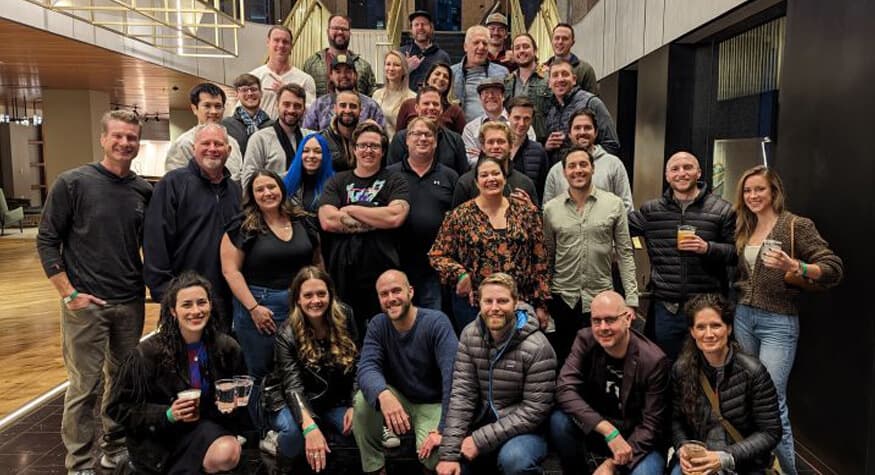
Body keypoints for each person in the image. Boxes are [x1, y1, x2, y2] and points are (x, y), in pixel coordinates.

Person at [37, 110, 152, 474]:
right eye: (117, 136)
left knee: (122, 381)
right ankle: (80, 462)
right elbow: (47, 240)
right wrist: (69, 293)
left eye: (131, 137)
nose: (124, 143)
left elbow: (150, 244)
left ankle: (114, 447)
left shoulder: (143, 190)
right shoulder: (73, 183)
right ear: (103, 139)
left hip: (129, 302)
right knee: (84, 386)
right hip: (86, 304)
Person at [732, 165, 843, 474]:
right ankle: (759, 466)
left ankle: (788, 470)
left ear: (774, 192)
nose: (753, 195)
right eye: (747, 190)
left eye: (759, 189)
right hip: (744, 317)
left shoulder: (796, 225)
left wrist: (797, 266)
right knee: (750, 397)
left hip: (778, 322)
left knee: (772, 400)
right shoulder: (744, 225)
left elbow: (833, 268)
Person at [107, 272, 248, 474]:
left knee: (228, 452)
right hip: (158, 438)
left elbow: (237, 408)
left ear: (210, 305)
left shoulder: (226, 348)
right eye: (187, 305)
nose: (196, 311)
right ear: (173, 311)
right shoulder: (146, 354)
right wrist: (167, 414)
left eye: (201, 303)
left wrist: (232, 406)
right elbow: (117, 407)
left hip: (205, 429)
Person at [220, 169, 321, 425]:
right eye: (260, 189)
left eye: (272, 187)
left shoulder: (302, 220)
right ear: (252, 195)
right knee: (262, 373)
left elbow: (317, 262)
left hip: (300, 306)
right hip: (260, 306)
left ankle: (297, 423)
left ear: (281, 189)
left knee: (299, 366)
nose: (267, 193)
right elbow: (230, 271)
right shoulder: (243, 226)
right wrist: (253, 308)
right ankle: (264, 430)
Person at [436, 273, 556, 475]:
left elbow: (534, 410)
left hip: (525, 430)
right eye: (488, 301)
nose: (494, 308)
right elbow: (462, 394)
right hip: (482, 422)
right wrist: (449, 454)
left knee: (514, 460)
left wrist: (479, 440)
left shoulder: (538, 347)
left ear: (516, 303)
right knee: (452, 465)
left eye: (502, 301)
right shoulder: (469, 335)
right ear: (478, 303)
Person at [627, 151, 736, 361]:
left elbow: (736, 254)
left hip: (708, 307)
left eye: (688, 167)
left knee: (709, 366)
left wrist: (708, 248)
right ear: (667, 176)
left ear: (699, 173)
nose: (681, 173)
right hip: (668, 308)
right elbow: (617, 227)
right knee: (667, 366)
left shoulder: (722, 210)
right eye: (675, 169)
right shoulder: (651, 211)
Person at [549, 290, 668, 475]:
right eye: (596, 320)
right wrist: (608, 430)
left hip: (637, 438)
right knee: (559, 421)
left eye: (610, 320)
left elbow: (651, 426)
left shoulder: (653, 360)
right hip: (599, 427)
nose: (603, 327)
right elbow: (564, 388)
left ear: (627, 319)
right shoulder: (585, 340)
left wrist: (611, 464)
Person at [353, 270, 458, 475]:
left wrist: (443, 428)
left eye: (396, 291)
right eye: (384, 294)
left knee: (436, 455)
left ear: (410, 292)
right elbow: (366, 367)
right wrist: (383, 394)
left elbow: (453, 379)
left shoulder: (436, 322)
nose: (391, 298)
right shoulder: (378, 324)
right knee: (362, 400)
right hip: (399, 398)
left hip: (433, 403)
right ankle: (375, 468)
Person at [430, 154, 549, 333]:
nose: (491, 179)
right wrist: (460, 274)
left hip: (520, 303)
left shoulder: (526, 212)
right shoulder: (460, 216)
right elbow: (437, 255)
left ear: (504, 178)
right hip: (475, 306)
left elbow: (540, 260)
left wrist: (542, 305)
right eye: (484, 175)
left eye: (496, 173)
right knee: (476, 350)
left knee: (520, 350)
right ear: (476, 183)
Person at [543, 147, 638, 363]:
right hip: (562, 298)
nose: (578, 170)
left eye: (583, 165)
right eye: (572, 166)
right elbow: (547, 257)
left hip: (601, 298)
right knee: (565, 361)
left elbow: (624, 253)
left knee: (600, 363)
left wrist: (631, 300)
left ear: (593, 168)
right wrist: (544, 302)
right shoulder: (551, 209)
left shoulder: (613, 204)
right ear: (564, 172)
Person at [669, 293, 782, 475]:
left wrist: (725, 457)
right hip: (699, 458)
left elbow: (770, 432)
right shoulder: (681, 370)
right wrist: (682, 446)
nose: (709, 334)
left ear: (728, 328)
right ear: (692, 332)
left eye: (716, 325)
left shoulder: (753, 372)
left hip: (743, 462)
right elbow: (676, 420)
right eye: (701, 327)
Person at [260, 266, 359, 472]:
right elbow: (293, 387)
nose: (316, 300)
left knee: (359, 428)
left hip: (331, 399)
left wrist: (354, 403)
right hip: (287, 399)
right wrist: (309, 425)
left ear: (330, 295)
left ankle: (321, 436)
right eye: (308, 295)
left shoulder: (346, 315)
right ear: (298, 299)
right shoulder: (287, 333)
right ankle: (277, 449)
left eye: (321, 294)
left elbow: (358, 364)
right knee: (294, 436)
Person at [144, 123, 242, 328]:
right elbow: (156, 240)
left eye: (218, 144)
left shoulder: (235, 191)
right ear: (193, 148)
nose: (212, 148)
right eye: (206, 143)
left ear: (229, 150)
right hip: (184, 299)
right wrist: (164, 293)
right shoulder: (173, 184)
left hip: (225, 297)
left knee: (221, 348)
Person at [318, 122, 410, 337]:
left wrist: (351, 209)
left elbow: (395, 217)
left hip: (383, 271)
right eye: (363, 145)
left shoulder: (395, 180)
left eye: (374, 146)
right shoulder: (337, 181)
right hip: (343, 274)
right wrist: (377, 217)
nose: (368, 150)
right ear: (354, 149)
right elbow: (328, 220)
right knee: (346, 334)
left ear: (383, 151)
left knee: (387, 334)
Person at [387, 117, 459, 310]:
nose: (422, 138)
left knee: (432, 319)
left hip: (434, 268)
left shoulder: (450, 176)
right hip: (397, 264)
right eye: (416, 134)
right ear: (407, 140)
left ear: (435, 142)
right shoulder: (389, 175)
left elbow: (457, 222)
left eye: (428, 134)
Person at [542, 108, 633, 211]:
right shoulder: (556, 171)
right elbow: (548, 211)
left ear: (596, 132)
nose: (582, 132)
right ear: (569, 134)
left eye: (587, 128)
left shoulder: (614, 164)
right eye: (577, 128)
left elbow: (626, 207)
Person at [165, 83, 244, 183]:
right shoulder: (184, 144)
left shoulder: (232, 143)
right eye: (207, 106)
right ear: (194, 109)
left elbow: (237, 179)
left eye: (218, 106)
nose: (213, 111)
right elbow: (174, 183)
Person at [241, 83, 314, 189]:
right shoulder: (260, 139)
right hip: (271, 198)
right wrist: (292, 175)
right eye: (286, 104)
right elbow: (248, 181)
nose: (291, 110)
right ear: (277, 105)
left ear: (304, 109)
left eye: (297, 106)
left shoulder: (311, 138)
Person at [451, 121, 538, 208]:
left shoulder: (524, 183)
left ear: (511, 146)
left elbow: (536, 214)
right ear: (483, 147)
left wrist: (532, 210)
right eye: (490, 142)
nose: (496, 146)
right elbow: (455, 215)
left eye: (501, 142)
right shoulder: (466, 183)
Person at [543, 60, 619, 159]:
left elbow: (611, 144)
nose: (560, 79)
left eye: (565, 74)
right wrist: (547, 147)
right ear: (549, 83)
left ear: (574, 79)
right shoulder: (551, 110)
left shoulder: (592, 103)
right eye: (555, 75)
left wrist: (586, 161)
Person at [388, 85, 469, 175]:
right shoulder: (400, 139)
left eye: (436, 104)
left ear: (441, 109)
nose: (431, 107)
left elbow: (463, 176)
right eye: (426, 103)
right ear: (417, 108)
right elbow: (391, 174)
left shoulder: (455, 140)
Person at [461, 77, 536, 167]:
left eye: (494, 92)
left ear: (503, 96)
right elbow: (470, 160)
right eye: (486, 93)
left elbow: (530, 154)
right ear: (480, 98)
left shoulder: (521, 123)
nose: (490, 96)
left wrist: (483, 154)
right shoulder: (471, 129)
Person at [302, 54, 385, 132]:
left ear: (355, 75)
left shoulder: (371, 106)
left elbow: (382, 136)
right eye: (338, 72)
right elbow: (306, 135)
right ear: (331, 76)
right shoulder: (319, 105)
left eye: (348, 71)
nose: (343, 75)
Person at [249, 25, 317, 115]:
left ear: (291, 46)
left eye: (285, 42)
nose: (281, 45)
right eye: (276, 40)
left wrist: (289, 94)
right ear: (268, 43)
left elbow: (313, 113)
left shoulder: (305, 80)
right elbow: (242, 110)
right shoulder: (254, 77)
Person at [302, 15, 376, 97]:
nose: (340, 32)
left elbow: (373, 97)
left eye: (344, 29)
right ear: (328, 31)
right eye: (336, 28)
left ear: (350, 33)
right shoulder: (311, 64)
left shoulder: (364, 67)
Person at [451, 25, 510, 121]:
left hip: (495, 127)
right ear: (465, 46)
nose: (481, 47)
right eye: (476, 43)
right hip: (462, 128)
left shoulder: (502, 73)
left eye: (485, 43)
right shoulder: (451, 73)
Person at [503, 33, 551, 142]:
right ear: (513, 53)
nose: (521, 51)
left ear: (535, 50)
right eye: (517, 48)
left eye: (526, 46)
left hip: (542, 142)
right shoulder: (507, 82)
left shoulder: (548, 79)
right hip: (514, 142)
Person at [397, 62, 466, 134]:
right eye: (437, 74)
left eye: (445, 76)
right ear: (428, 79)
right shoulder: (408, 104)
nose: (441, 78)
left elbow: (462, 138)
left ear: (449, 84)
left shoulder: (455, 110)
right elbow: (398, 135)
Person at [506, 96, 549, 198]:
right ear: (508, 116)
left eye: (526, 119)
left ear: (532, 120)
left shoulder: (539, 151)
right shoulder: (495, 147)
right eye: (517, 118)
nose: (521, 123)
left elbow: (542, 189)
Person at [283, 132, 336, 213]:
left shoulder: (335, 183)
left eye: (317, 152)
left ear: (325, 155)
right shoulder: (283, 181)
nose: (311, 156)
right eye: (306, 151)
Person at [222, 73, 272, 157]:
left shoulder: (272, 126)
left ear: (261, 93)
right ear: (237, 94)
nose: (250, 93)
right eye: (244, 90)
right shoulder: (226, 125)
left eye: (253, 89)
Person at [401, 10, 453, 91]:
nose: (420, 27)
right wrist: (406, 69)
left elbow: (448, 85)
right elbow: (391, 82)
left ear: (431, 28)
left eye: (424, 24)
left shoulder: (442, 56)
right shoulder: (401, 53)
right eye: (416, 25)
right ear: (411, 29)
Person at [543, 23, 599, 95]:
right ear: (552, 41)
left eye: (565, 39)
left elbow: (592, 98)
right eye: (557, 38)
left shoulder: (585, 70)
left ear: (572, 43)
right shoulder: (541, 71)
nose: (560, 42)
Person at [372, 50, 416, 139]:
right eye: (388, 64)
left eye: (396, 65)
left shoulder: (412, 98)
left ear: (404, 70)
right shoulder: (377, 94)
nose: (391, 68)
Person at [319, 89, 361, 172]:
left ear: (360, 110)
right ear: (335, 109)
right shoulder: (322, 139)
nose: (347, 110)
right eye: (343, 105)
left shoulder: (367, 138)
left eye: (353, 106)